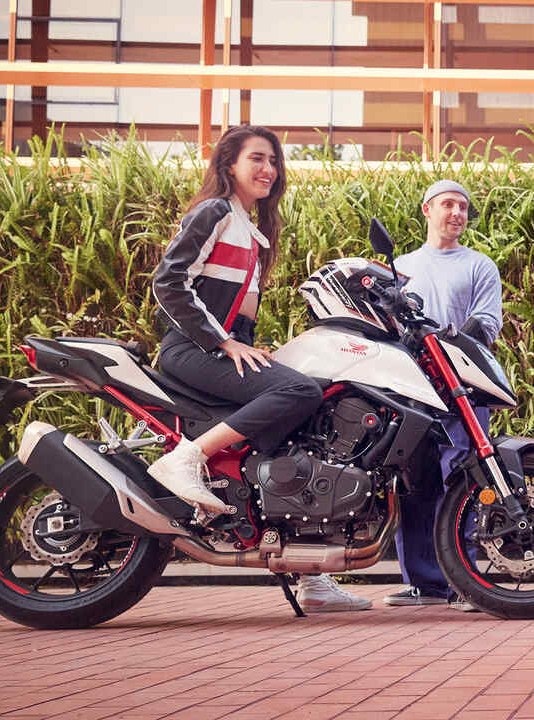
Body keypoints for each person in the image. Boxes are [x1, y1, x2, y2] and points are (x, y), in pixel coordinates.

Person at [149, 125, 371, 613]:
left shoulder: (247, 227)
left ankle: (312, 577)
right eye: (256, 158)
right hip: (190, 350)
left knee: (305, 419)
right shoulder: (213, 213)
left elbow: (231, 307)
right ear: (229, 163)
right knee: (299, 393)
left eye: (273, 160)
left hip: (217, 348)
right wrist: (223, 342)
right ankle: (185, 459)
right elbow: (168, 283)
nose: (268, 169)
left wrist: (245, 344)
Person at [382, 179, 502, 610]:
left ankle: (467, 584)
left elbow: (486, 323)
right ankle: (425, 585)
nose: (457, 213)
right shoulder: (402, 266)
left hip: (463, 390)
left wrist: (447, 346)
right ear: (427, 210)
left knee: (465, 481)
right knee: (414, 484)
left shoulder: (480, 266)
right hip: (411, 389)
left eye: (464, 207)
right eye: (448, 204)